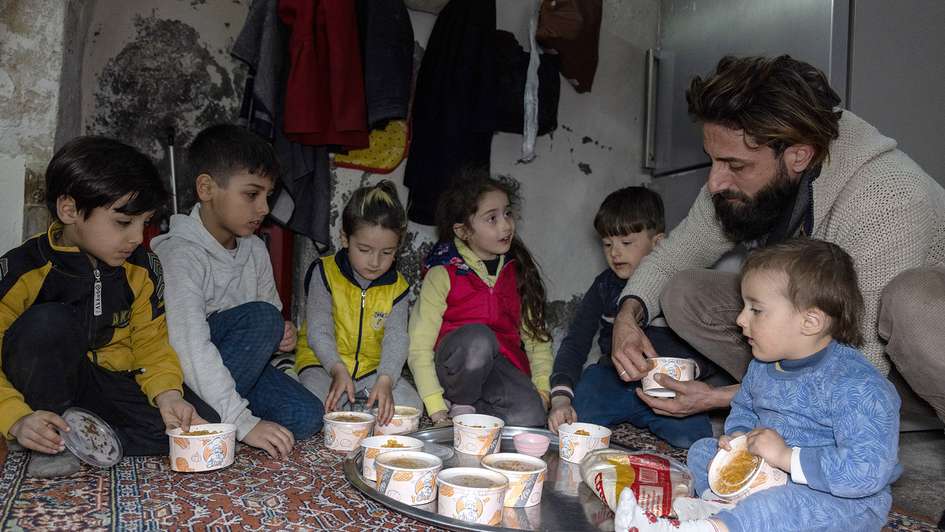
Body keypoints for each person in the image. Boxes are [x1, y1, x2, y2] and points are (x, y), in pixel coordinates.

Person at [609, 55, 945, 423]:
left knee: (913, 304)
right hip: (846, 360)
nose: (715, 182)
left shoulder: (888, 194)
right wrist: (628, 317)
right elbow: (675, 256)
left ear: (798, 156)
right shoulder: (742, 180)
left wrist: (719, 397)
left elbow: (858, 357)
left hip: (893, 364)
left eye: (736, 165)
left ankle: (850, 418)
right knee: (684, 293)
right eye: (713, 160)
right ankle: (796, 408)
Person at [615, 238, 901, 531]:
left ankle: (709, 526)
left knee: (779, 506)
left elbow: (866, 471)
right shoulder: (763, 366)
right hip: (767, 473)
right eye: (743, 307)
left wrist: (786, 457)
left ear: (811, 321)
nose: (740, 319)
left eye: (756, 310)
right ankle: (725, 510)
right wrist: (738, 438)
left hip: (838, 497)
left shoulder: (859, 386)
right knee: (703, 453)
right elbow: (745, 408)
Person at [0, 137, 218, 477]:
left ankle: (84, 439)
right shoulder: (22, 269)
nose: (136, 238)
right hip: (43, 388)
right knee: (47, 322)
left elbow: (151, 345)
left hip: (105, 382)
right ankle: (44, 430)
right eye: (122, 223)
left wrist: (168, 395)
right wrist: (13, 416)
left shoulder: (144, 267)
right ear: (69, 210)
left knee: (196, 426)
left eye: (143, 223)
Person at [153, 124, 323, 459]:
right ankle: (212, 415)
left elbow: (269, 318)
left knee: (308, 417)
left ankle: (217, 414)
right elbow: (188, 347)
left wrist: (280, 336)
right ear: (206, 188)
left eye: (267, 197)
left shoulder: (255, 249)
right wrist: (242, 423)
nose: (263, 208)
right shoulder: (179, 254)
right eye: (251, 194)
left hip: (237, 372)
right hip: (187, 376)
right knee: (262, 318)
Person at [547, 187, 712, 448]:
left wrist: (693, 371)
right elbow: (576, 342)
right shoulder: (603, 286)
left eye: (626, 243)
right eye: (607, 243)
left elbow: (710, 343)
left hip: (666, 386)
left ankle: (652, 418)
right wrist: (561, 399)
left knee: (695, 439)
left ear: (658, 243)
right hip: (612, 378)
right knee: (575, 423)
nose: (615, 253)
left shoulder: (680, 288)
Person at [408, 171, 551, 427]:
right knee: (479, 339)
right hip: (455, 369)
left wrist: (542, 389)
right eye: (492, 218)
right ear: (463, 231)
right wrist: (436, 409)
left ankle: (476, 417)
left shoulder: (519, 270)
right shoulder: (443, 272)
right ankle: (459, 405)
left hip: (500, 368)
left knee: (531, 418)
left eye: (507, 213)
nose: (506, 225)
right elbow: (419, 346)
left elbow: (536, 339)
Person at [295, 180, 421, 425]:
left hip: (371, 371)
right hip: (324, 365)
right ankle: (357, 406)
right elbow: (319, 330)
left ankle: (359, 404)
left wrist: (385, 379)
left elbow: (396, 337)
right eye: (364, 249)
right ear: (345, 238)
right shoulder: (325, 273)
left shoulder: (398, 287)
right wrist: (336, 369)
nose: (375, 261)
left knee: (411, 406)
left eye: (387, 253)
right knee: (310, 407)